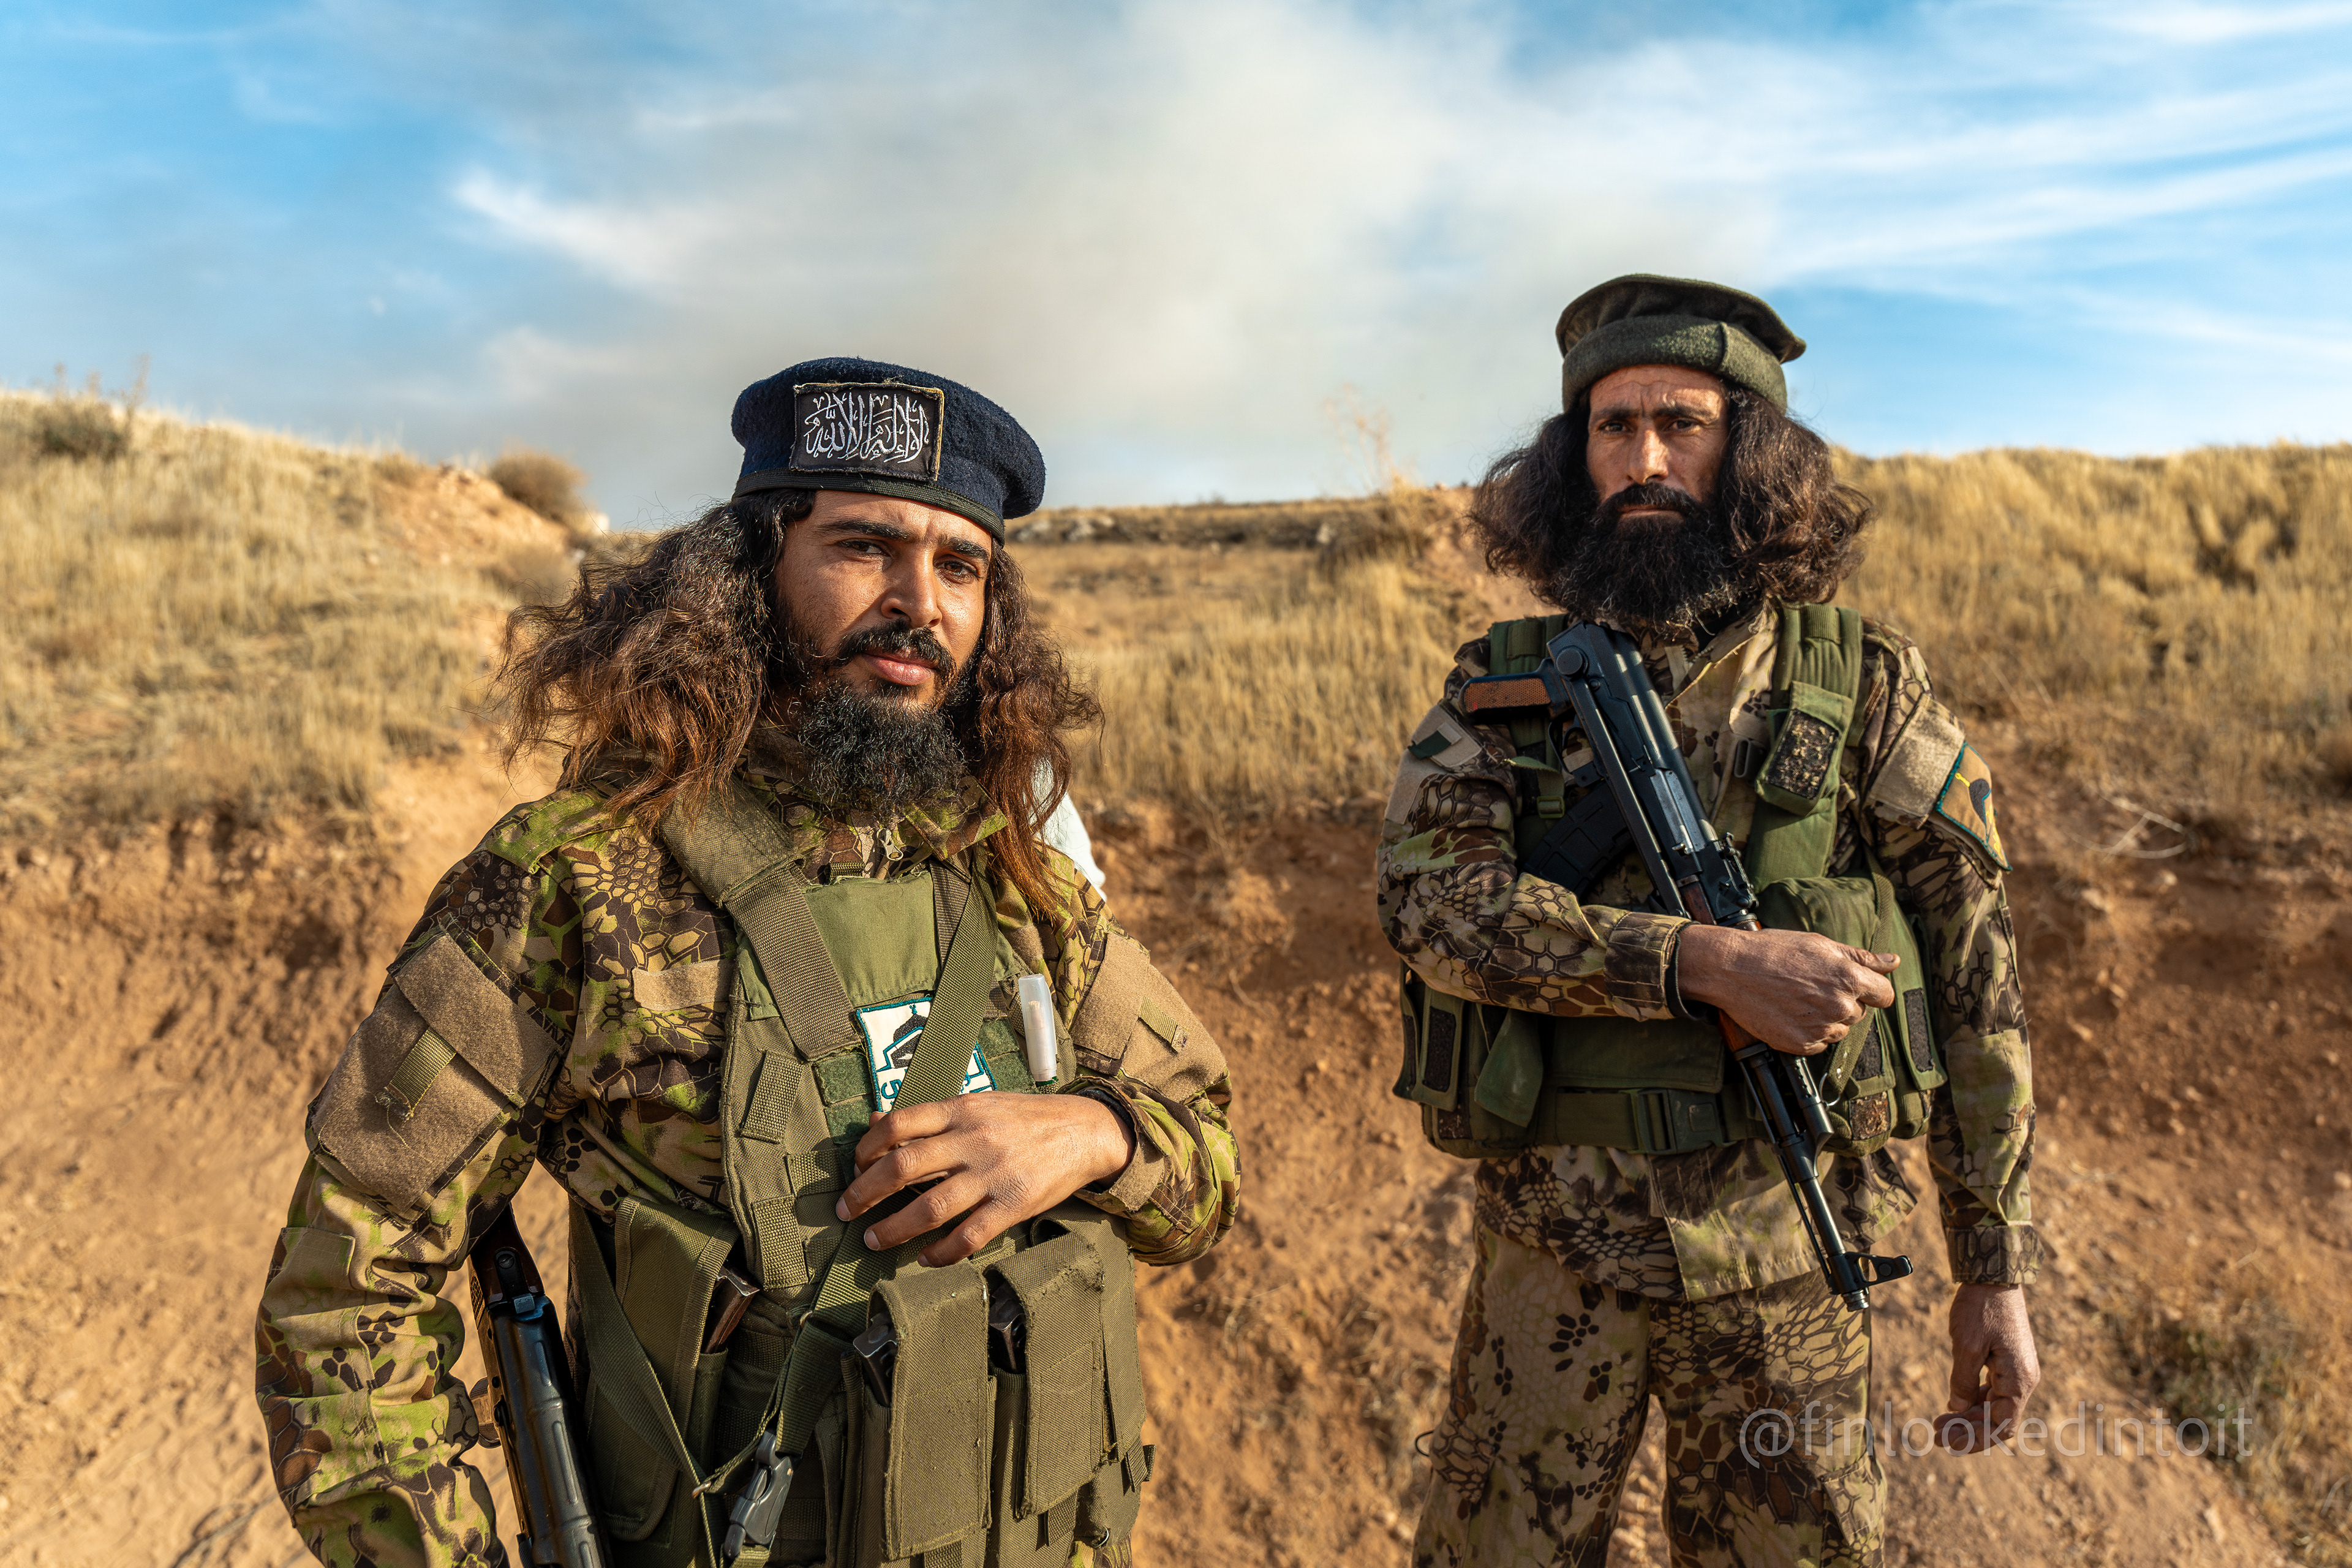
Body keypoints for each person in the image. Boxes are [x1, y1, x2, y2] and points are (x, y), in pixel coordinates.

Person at [255, 358, 1238, 1568]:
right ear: (750, 571)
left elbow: (1205, 1157)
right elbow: (347, 1287)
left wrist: (1092, 1132)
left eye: (959, 566)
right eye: (866, 547)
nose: (919, 601)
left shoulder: (1016, 873)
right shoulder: (573, 882)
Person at [1379, 277, 2041, 1567]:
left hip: (1793, 1260)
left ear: (1752, 451)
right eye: (1612, 429)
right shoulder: (1503, 682)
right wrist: (1702, 963)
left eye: (1682, 424)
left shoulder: (1862, 683)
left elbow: (1976, 974)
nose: (1644, 460)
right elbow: (1429, 903)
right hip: (1554, 1256)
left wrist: (1993, 1261)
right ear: (1573, 460)